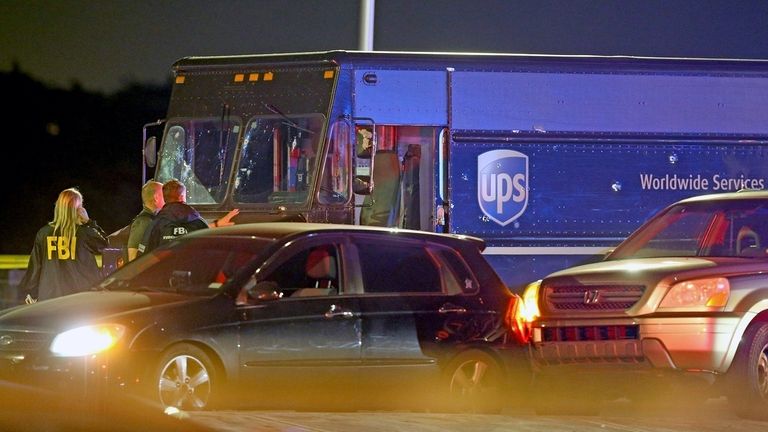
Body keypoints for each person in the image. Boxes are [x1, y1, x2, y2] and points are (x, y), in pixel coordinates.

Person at [18, 187, 108, 303]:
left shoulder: (43, 233)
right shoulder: (84, 233)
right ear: (77, 209)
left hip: (50, 299)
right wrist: (89, 222)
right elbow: (104, 244)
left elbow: (35, 268)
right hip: (80, 299)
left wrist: (32, 293)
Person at [137, 179, 238, 256]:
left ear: (165, 198)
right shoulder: (197, 222)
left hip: (163, 278)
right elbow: (210, 253)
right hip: (192, 278)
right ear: (181, 197)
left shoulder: (155, 224)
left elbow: (142, 257)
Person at [126, 180, 165, 262]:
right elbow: (133, 257)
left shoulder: (154, 219)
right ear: (156, 198)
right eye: (164, 195)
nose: (166, 198)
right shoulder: (143, 222)